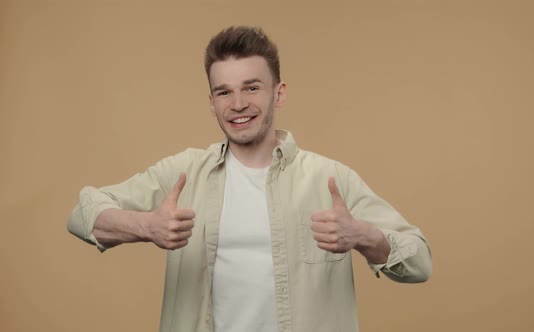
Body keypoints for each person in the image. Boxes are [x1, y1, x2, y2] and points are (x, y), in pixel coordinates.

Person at [67, 26, 432, 332]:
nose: (238, 103)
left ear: (279, 93)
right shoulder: (183, 172)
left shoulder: (330, 178)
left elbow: (419, 262)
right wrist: (146, 226)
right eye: (224, 92)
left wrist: (364, 237)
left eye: (252, 87)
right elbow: (82, 216)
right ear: (211, 102)